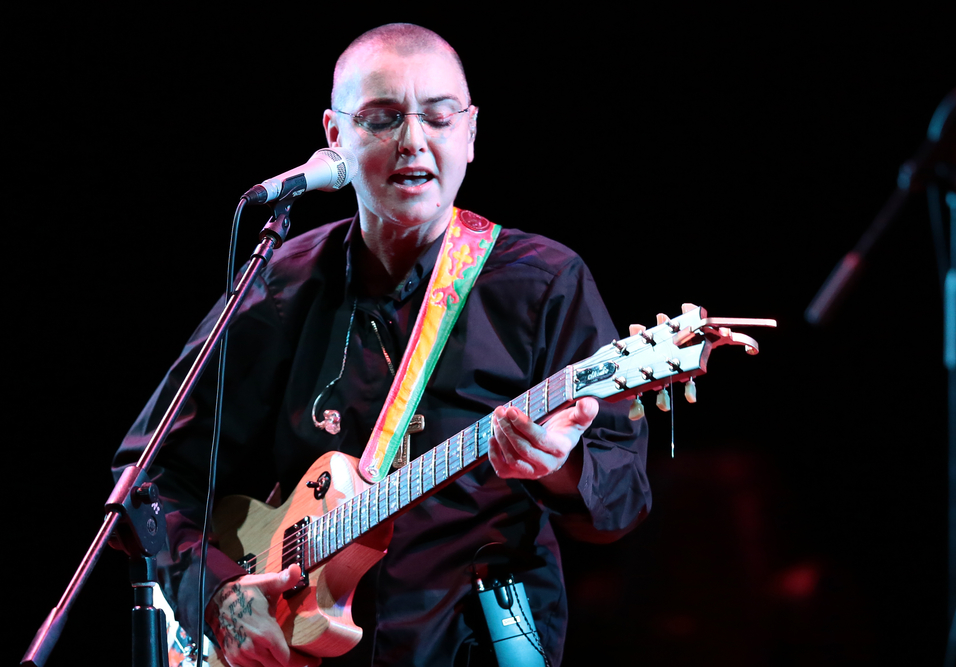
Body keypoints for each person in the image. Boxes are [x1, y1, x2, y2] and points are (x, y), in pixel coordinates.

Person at [114, 23, 650, 667]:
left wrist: (555, 467)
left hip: (470, 647)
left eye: (440, 117)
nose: (413, 141)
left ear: (470, 134)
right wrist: (218, 594)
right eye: (382, 118)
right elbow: (146, 479)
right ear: (335, 136)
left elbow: (623, 498)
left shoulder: (544, 284)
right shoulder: (281, 283)